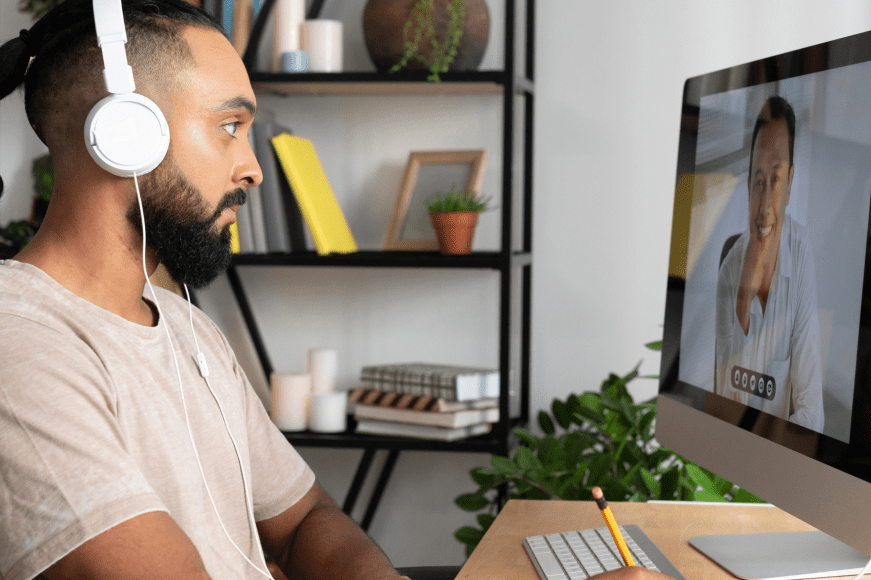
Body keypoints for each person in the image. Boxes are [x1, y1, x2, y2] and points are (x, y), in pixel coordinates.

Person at [0, 1, 672, 579]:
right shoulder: (20, 345)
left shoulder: (186, 330)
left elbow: (305, 522)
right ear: (125, 137)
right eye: (230, 127)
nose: (253, 168)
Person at [714, 95, 825, 432]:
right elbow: (721, 406)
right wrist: (744, 299)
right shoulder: (729, 272)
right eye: (758, 182)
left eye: (775, 180)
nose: (764, 207)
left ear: (790, 183)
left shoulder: (801, 250)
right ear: (748, 188)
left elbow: (812, 412)